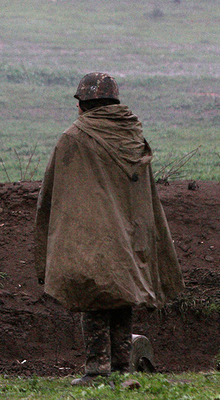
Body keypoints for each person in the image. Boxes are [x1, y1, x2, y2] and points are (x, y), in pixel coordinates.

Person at [34, 72, 185, 386]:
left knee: (95, 297)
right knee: (121, 297)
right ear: (114, 101)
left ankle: (97, 370)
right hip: (132, 235)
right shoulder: (132, 136)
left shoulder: (75, 137)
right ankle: (120, 368)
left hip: (94, 234)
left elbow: (55, 192)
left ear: (83, 104)